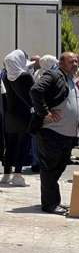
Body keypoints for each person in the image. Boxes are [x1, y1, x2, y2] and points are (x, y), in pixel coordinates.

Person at [30, 52, 79, 214]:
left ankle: (52, 200)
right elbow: (36, 91)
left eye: (77, 61)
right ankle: (50, 204)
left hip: (65, 134)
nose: (75, 64)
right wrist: (45, 113)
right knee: (50, 169)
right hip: (52, 132)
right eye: (72, 61)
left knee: (58, 167)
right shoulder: (53, 75)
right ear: (61, 62)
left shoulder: (69, 77)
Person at [1, 50, 34, 186]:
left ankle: (7, 173)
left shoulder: (5, 77)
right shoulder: (26, 76)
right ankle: (18, 175)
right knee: (23, 145)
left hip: (10, 115)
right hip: (25, 115)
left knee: (10, 145)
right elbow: (34, 93)